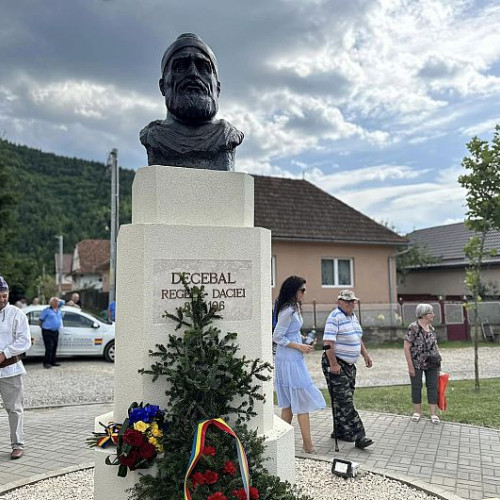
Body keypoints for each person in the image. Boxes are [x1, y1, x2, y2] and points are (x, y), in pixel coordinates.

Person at [140, 33, 244, 171]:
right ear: (163, 86)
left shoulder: (227, 137)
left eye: (204, 67)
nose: (193, 73)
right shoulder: (153, 137)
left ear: (217, 88)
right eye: (181, 67)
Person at [272, 276, 326, 454]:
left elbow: (290, 331)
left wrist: (303, 339)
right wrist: (299, 346)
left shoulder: (294, 307)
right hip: (288, 359)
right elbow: (277, 336)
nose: (304, 293)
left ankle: (281, 443)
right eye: (302, 290)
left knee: (289, 403)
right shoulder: (288, 310)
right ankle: (308, 445)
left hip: (293, 357)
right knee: (299, 400)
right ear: (293, 290)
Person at [321, 290, 374, 449]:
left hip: (349, 365)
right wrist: (333, 364)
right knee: (345, 402)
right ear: (339, 301)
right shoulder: (334, 317)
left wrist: (365, 355)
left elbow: (357, 338)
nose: (351, 304)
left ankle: (340, 431)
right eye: (347, 301)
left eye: (353, 301)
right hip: (336, 363)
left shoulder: (352, 317)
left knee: (342, 399)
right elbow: (328, 342)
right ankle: (360, 436)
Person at [0, 276, 31, 459]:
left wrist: (5, 353)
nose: (3, 298)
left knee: (14, 409)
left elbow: (24, 340)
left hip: (10, 369)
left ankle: (17, 444)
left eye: (5, 295)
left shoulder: (16, 314)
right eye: (0, 295)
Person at [403, 303, 442, 424]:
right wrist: (410, 366)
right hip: (417, 363)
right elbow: (406, 347)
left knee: (432, 387)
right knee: (416, 386)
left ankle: (433, 414)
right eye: (431, 313)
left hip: (432, 363)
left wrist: (439, 360)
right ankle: (417, 412)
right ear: (424, 315)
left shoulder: (431, 328)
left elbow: (435, 345)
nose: (433, 315)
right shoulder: (413, 327)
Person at [38, 297, 63, 368]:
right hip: (47, 331)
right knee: (49, 347)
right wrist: (44, 328)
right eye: (54, 301)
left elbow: (63, 302)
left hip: (55, 331)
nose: (56, 303)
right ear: (51, 303)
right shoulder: (46, 310)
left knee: (55, 346)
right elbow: (40, 321)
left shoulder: (59, 310)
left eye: (57, 302)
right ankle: (46, 362)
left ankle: (53, 361)